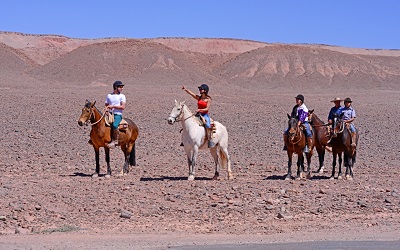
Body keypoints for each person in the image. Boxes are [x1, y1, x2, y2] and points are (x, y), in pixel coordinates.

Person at [105, 80, 126, 149]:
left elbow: (123, 107)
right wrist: (107, 110)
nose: (122, 88)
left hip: (117, 114)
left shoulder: (122, 96)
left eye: (122, 87)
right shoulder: (109, 95)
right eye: (120, 87)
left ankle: (115, 141)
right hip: (110, 114)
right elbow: (106, 105)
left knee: (114, 125)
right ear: (115, 87)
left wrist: (113, 106)